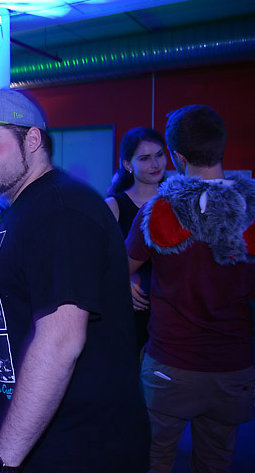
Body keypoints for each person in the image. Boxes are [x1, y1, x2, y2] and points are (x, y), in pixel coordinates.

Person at [0, 89, 150, 472]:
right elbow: (6, 304)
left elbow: (61, 341)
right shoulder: (16, 211)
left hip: (76, 447)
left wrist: (5, 459)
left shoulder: (62, 210)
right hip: (29, 433)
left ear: (31, 139)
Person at [126, 104, 255, 472]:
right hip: (232, 368)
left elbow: (118, 268)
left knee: (153, 460)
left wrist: (129, 277)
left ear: (177, 157)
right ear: (220, 147)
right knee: (215, 464)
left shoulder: (157, 211)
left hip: (169, 365)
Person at [105, 127, 167, 352]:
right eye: (145, 158)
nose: (155, 164)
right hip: (130, 310)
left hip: (171, 308)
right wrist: (122, 279)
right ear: (128, 164)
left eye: (160, 155)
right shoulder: (114, 205)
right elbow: (97, 261)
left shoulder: (177, 202)